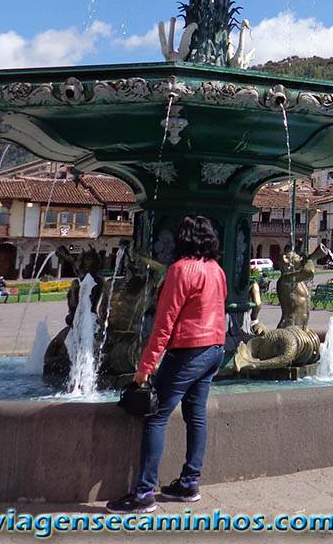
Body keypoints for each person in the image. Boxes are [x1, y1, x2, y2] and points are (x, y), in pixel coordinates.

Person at [106, 216, 226, 513]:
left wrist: (146, 366)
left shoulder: (180, 270)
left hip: (188, 351)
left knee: (156, 417)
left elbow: (165, 322)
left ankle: (143, 492)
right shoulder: (217, 270)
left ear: (182, 239)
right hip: (215, 349)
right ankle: (189, 482)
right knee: (196, 415)